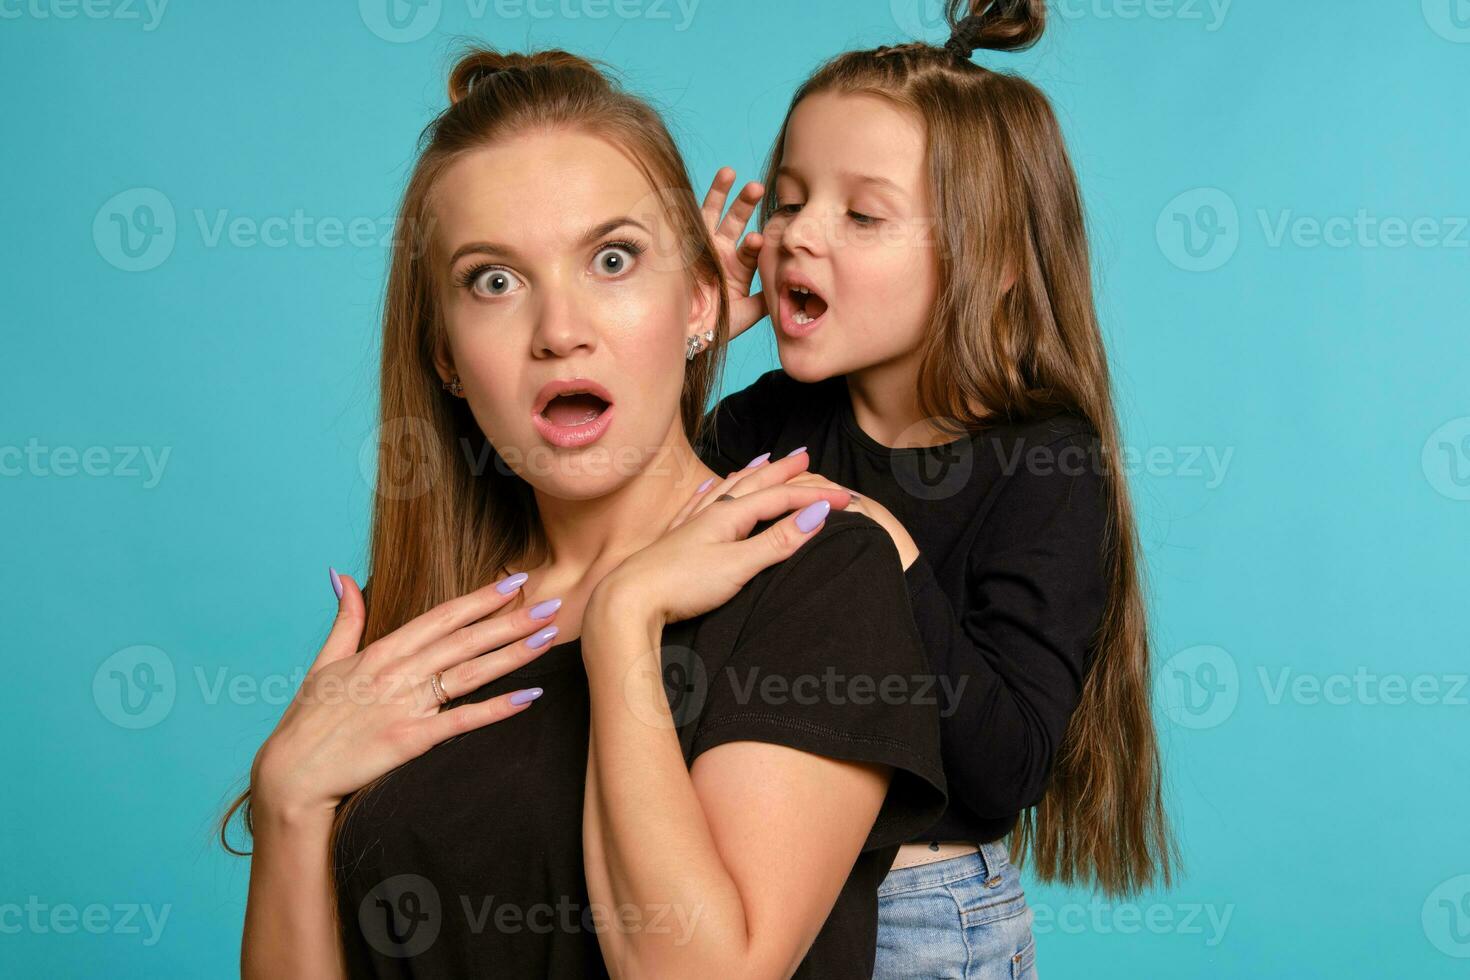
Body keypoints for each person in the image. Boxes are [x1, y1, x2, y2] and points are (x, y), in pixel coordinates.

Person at [220, 46, 947, 979]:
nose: (559, 329)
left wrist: (622, 621)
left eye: (612, 259)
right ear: (445, 357)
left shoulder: (814, 573)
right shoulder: (423, 623)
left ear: (696, 302)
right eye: (495, 280)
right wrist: (286, 800)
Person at [690, 1, 1175, 975]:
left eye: (861, 213)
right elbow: (626, 540)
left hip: (919, 913)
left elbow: (1006, 764)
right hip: (761, 891)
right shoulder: (770, 419)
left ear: (988, 259)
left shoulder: (1045, 463)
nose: (796, 235)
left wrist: (887, 552)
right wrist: (688, 334)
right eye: (787, 199)